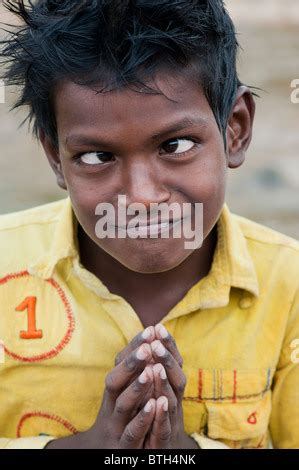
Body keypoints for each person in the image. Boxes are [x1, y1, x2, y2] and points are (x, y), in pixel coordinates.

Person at [0, 0, 298, 449]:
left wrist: (187, 452)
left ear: (234, 129)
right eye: (97, 156)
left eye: (175, 145)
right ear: (55, 157)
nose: (140, 197)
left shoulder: (289, 286)